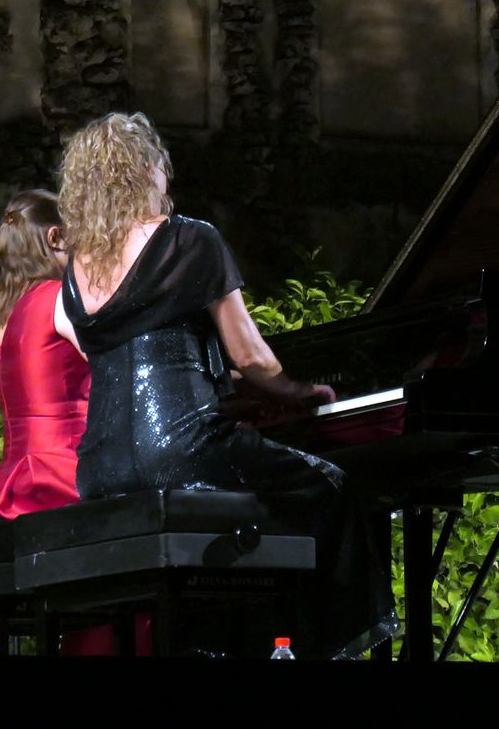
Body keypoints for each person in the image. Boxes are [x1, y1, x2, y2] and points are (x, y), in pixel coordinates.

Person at [54, 112, 395, 659]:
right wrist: (295, 391)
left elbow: (124, 355)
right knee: (331, 487)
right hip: (183, 450)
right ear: (147, 169)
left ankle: (231, 642)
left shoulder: (75, 270)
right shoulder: (191, 238)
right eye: (163, 166)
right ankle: (318, 650)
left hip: (100, 468)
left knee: (248, 522)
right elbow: (251, 355)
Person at [0, 190, 90, 521]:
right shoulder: (58, 299)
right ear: (55, 237)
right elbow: (118, 368)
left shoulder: (2, 317)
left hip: (15, 477)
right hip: (67, 472)